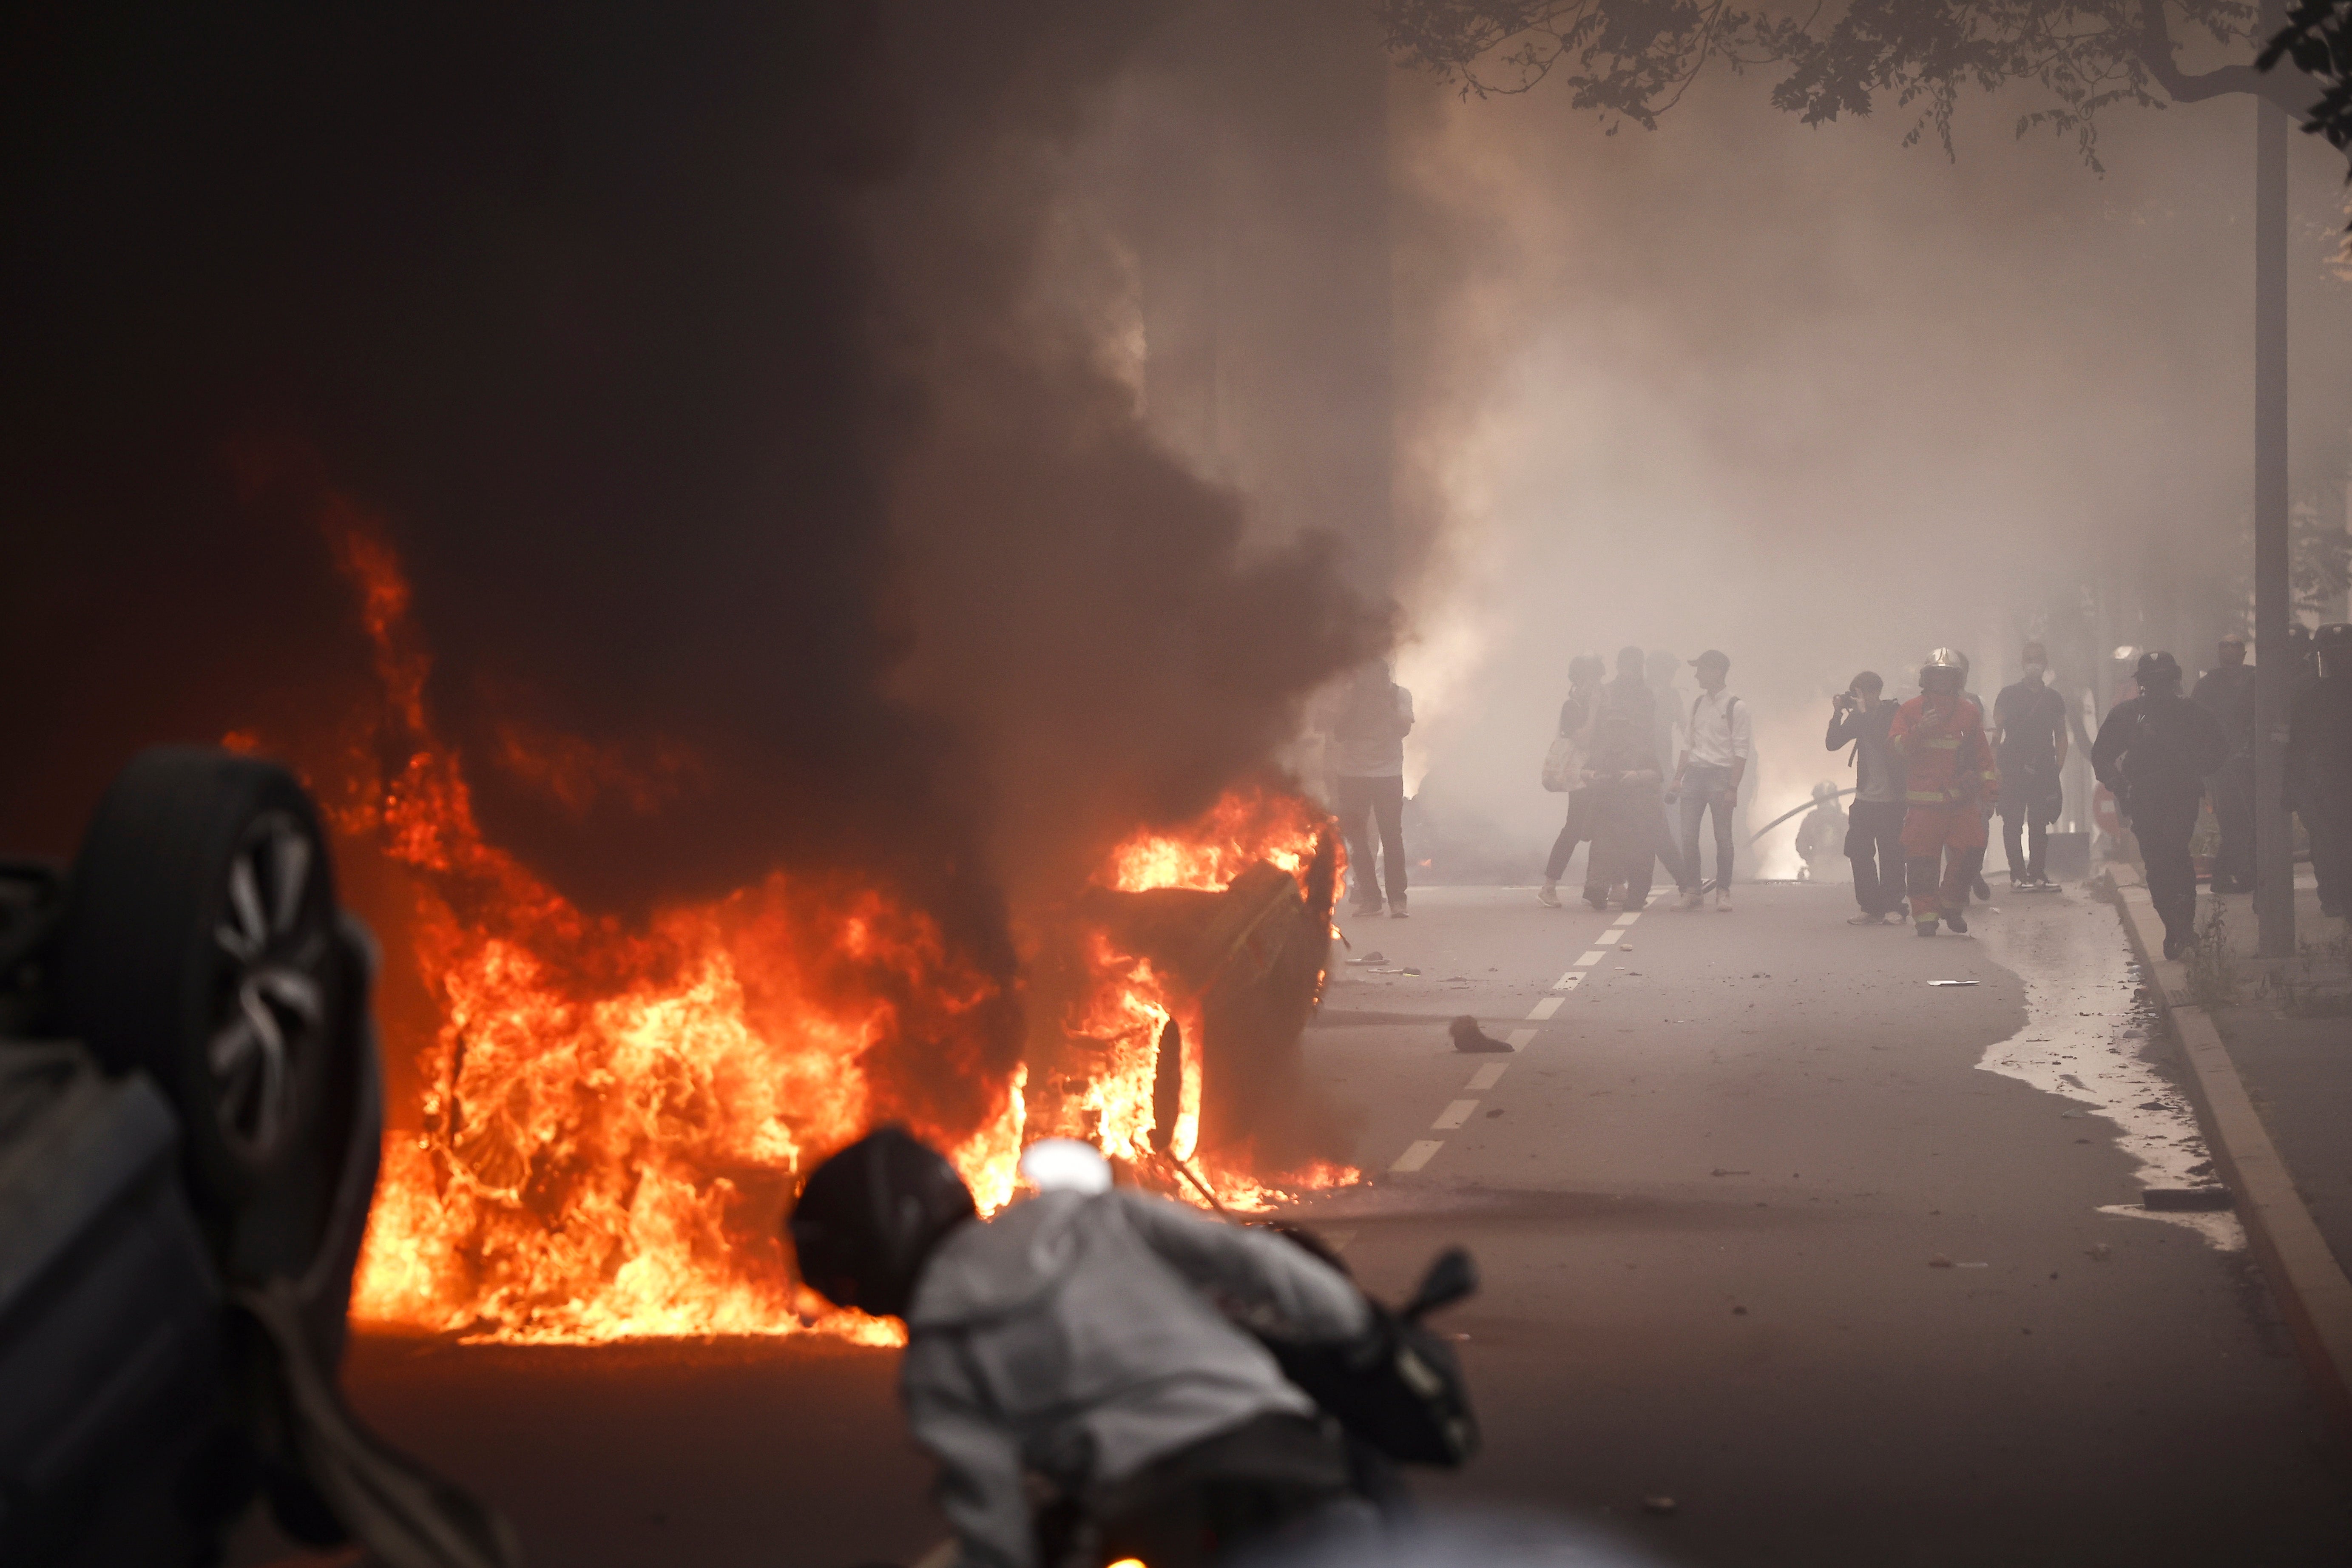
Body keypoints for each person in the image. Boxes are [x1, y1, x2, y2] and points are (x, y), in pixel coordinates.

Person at [788, 1129, 1376, 1568]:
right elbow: (1258, 1262)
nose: (857, 1304)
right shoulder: (1088, 1215)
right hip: (1299, 1459)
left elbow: (996, 1537)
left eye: (847, 1287)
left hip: (1162, 1516)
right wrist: (1367, 1333)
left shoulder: (938, 1360)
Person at [2092, 651, 2229, 959]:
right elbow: (2101, 756)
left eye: (2162, 682)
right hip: (2145, 798)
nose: (2157, 689)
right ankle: (2176, 928)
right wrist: (2121, 786)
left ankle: (2182, 928)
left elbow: (2219, 748)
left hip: (2178, 796)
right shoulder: (2129, 715)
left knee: (2175, 857)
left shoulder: (2191, 713)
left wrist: (2197, 770)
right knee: (2161, 862)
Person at [1889, 648, 1998, 937]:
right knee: (1922, 860)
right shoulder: (1910, 711)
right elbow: (1897, 748)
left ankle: (1951, 903)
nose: (1941, 681)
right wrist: (1919, 732)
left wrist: (1989, 793)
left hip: (1960, 802)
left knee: (1974, 849)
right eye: (1936, 675)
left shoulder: (1969, 712)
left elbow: (1983, 757)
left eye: (1947, 676)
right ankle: (1925, 916)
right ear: (1927, 678)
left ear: (1957, 680)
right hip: (1924, 804)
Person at [1327, 660, 1414, 920]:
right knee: (1357, 839)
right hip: (1353, 774)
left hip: (1388, 773)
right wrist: (1356, 709)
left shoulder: (1400, 695)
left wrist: (1383, 709)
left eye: (1381, 675)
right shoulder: (1349, 697)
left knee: (1392, 837)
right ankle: (1371, 897)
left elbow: (1404, 729)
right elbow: (1339, 734)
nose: (1376, 681)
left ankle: (1398, 900)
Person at [1672, 649, 1751, 912]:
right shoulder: (1698, 703)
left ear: (1717, 672)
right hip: (1694, 775)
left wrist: (1733, 787)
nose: (1696, 675)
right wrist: (1678, 779)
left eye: (1701, 669)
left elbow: (1741, 751)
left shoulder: (1736, 707)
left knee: (1723, 836)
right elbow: (1688, 743)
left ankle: (1724, 891)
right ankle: (1693, 890)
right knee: (1687, 836)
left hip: (1721, 776)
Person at [1826, 671, 1905, 924]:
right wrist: (1838, 714)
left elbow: (1881, 738)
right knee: (1859, 852)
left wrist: (1862, 713)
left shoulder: (1893, 713)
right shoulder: (1859, 717)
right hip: (1864, 799)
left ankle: (1893, 906)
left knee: (1891, 853)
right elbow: (1833, 742)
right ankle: (1870, 906)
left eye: (1859, 694)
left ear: (1873, 693)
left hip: (1891, 799)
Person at [2285, 624, 2352, 919]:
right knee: (2326, 841)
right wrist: (2291, 786)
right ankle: (2333, 895)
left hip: (2330, 780)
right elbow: (2291, 744)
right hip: (2320, 782)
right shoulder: (2303, 691)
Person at [1580, 682, 1666, 913]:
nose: (1616, 732)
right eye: (1612, 727)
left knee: (1639, 861)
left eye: (1620, 727)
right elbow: (1584, 771)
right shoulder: (1601, 753)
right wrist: (1594, 776)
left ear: (1629, 729)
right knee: (1601, 855)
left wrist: (1636, 776)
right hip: (1606, 813)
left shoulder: (1643, 752)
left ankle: (1636, 896)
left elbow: (1657, 775)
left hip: (1637, 815)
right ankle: (1598, 892)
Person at [1993, 640, 2070, 889]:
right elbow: (1997, 734)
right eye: (2029, 659)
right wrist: (1994, 768)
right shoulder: (2007, 695)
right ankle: (2017, 875)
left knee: (2040, 822)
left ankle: (2037, 873)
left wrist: (2056, 767)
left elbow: (2061, 734)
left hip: (2044, 768)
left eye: (2038, 659)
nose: (2033, 664)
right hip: (2012, 768)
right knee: (2013, 822)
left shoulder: (2054, 699)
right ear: (2022, 663)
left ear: (2046, 664)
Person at [1537, 653, 1607, 908]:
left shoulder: (1593, 704)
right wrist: (1596, 709)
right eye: (1593, 678)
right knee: (1575, 829)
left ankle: (1606, 885)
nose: (1597, 685)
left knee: (1602, 828)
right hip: (1582, 777)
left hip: (1598, 773)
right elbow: (1584, 740)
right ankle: (1549, 885)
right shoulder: (1573, 707)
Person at [2191, 633, 2257, 892]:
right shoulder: (2207, 685)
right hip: (2222, 766)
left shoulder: (2256, 679)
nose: (2230, 651)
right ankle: (2231, 875)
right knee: (2234, 822)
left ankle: (2245, 874)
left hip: (2253, 761)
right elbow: (2196, 727)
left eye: (2235, 646)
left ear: (2243, 653)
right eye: (2224, 646)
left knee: (2254, 821)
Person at [1794, 782, 1847, 882]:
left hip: (1841, 871)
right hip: (1819, 871)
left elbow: (1855, 846)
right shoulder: (1811, 821)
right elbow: (1801, 845)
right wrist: (1812, 860)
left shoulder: (1845, 821)